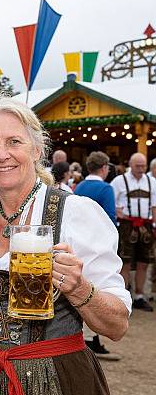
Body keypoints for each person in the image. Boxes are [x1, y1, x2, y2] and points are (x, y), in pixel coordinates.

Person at [0, 96, 130, 395]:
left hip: (60, 382)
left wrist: (80, 289)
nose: (2, 154)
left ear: (37, 150)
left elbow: (117, 326)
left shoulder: (76, 213)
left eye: (14, 142)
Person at [74, 151, 119, 360]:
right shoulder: (105, 188)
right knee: (94, 290)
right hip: (96, 243)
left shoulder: (80, 186)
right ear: (104, 168)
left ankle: (88, 336)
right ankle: (93, 339)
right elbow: (110, 217)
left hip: (76, 242)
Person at [111, 152, 156, 312]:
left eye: (143, 165)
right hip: (126, 225)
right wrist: (117, 211)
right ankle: (123, 297)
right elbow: (112, 202)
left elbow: (154, 206)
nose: (141, 169)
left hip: (146, 225)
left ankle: (139, 296)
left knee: (144, 262)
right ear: (131, 165)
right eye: (138, 166)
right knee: (125, 261)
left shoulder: (152, 182)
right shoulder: (119, 181)